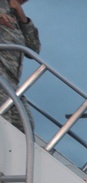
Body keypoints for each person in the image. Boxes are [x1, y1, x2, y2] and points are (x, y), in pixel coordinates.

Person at [0, 0, 39, 132]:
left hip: (11, 80)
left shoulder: (19, 18)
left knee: (25, 126)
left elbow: (34, 49)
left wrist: (22, 17)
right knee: (3, 121)